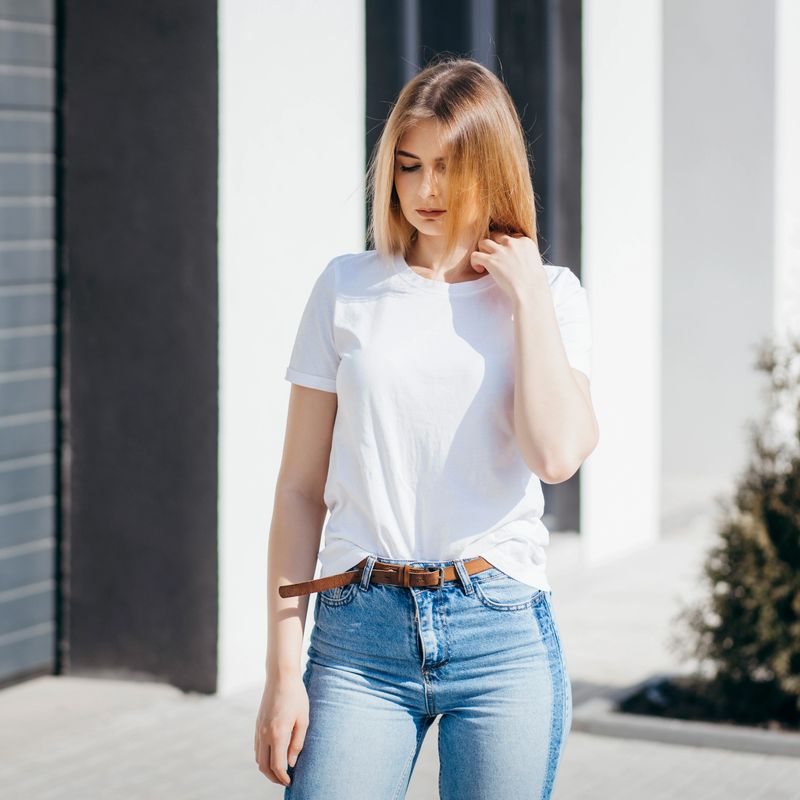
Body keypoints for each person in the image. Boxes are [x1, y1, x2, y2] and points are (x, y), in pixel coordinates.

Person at [254, 56, 599, 799]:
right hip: (358, 635)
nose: (426, 190)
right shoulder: (347, 288)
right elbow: (299, 491)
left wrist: (528, 300)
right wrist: (283, 672)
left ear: (491, 166)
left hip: (499, 631)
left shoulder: (552, 296)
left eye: (447, 167)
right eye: (409, 167)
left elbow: (557, 455)